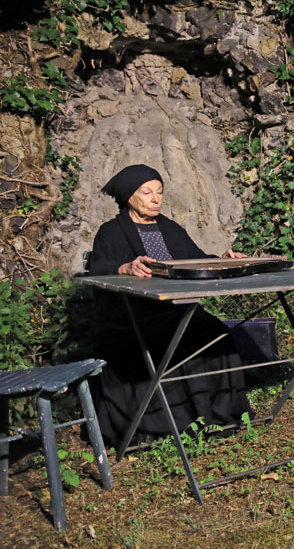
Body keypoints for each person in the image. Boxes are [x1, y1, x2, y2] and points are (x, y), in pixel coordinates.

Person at [87, 164, 252, 447]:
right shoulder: (111, 232)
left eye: (160, 192)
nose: (156, 199)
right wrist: (125, 267)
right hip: (136, 313)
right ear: (130, 197)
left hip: (178, 307)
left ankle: (218, 412)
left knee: (214, 331)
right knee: (171, 336)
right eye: (147, 192)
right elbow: (97, 267)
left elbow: (195, 258)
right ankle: (178, 419)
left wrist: (223, 259)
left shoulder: (170, 228)